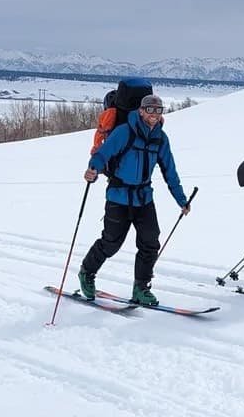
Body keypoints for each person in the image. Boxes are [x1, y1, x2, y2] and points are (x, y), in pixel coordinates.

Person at [77, 94, 190, 307]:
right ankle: (86, 273)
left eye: (158, 111)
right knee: (111, 243)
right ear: (141, 110)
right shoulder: (124, 132)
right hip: (118, 196)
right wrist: (93, 169)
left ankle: (141, 288)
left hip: (144, 198)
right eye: (150, 110)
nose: (154, 115)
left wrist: (181, 200)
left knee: (150, 243)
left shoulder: (161, 138)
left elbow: (170, 171)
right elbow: (103, 154)